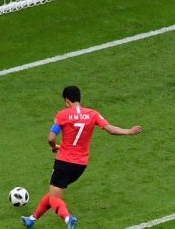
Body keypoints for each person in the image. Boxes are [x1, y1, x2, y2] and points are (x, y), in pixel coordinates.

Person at [21, 86, 142, 228]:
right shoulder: (93, 114)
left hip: (64, 162)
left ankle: (68, 218)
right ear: (80, 98)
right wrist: (128, 131)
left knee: (54, 198)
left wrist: (54, 147)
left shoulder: (62, 115)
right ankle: (32, 219)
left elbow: (51, 138)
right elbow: (110, 129)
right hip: (80, 165)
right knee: (55, 193)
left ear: (67, 101)